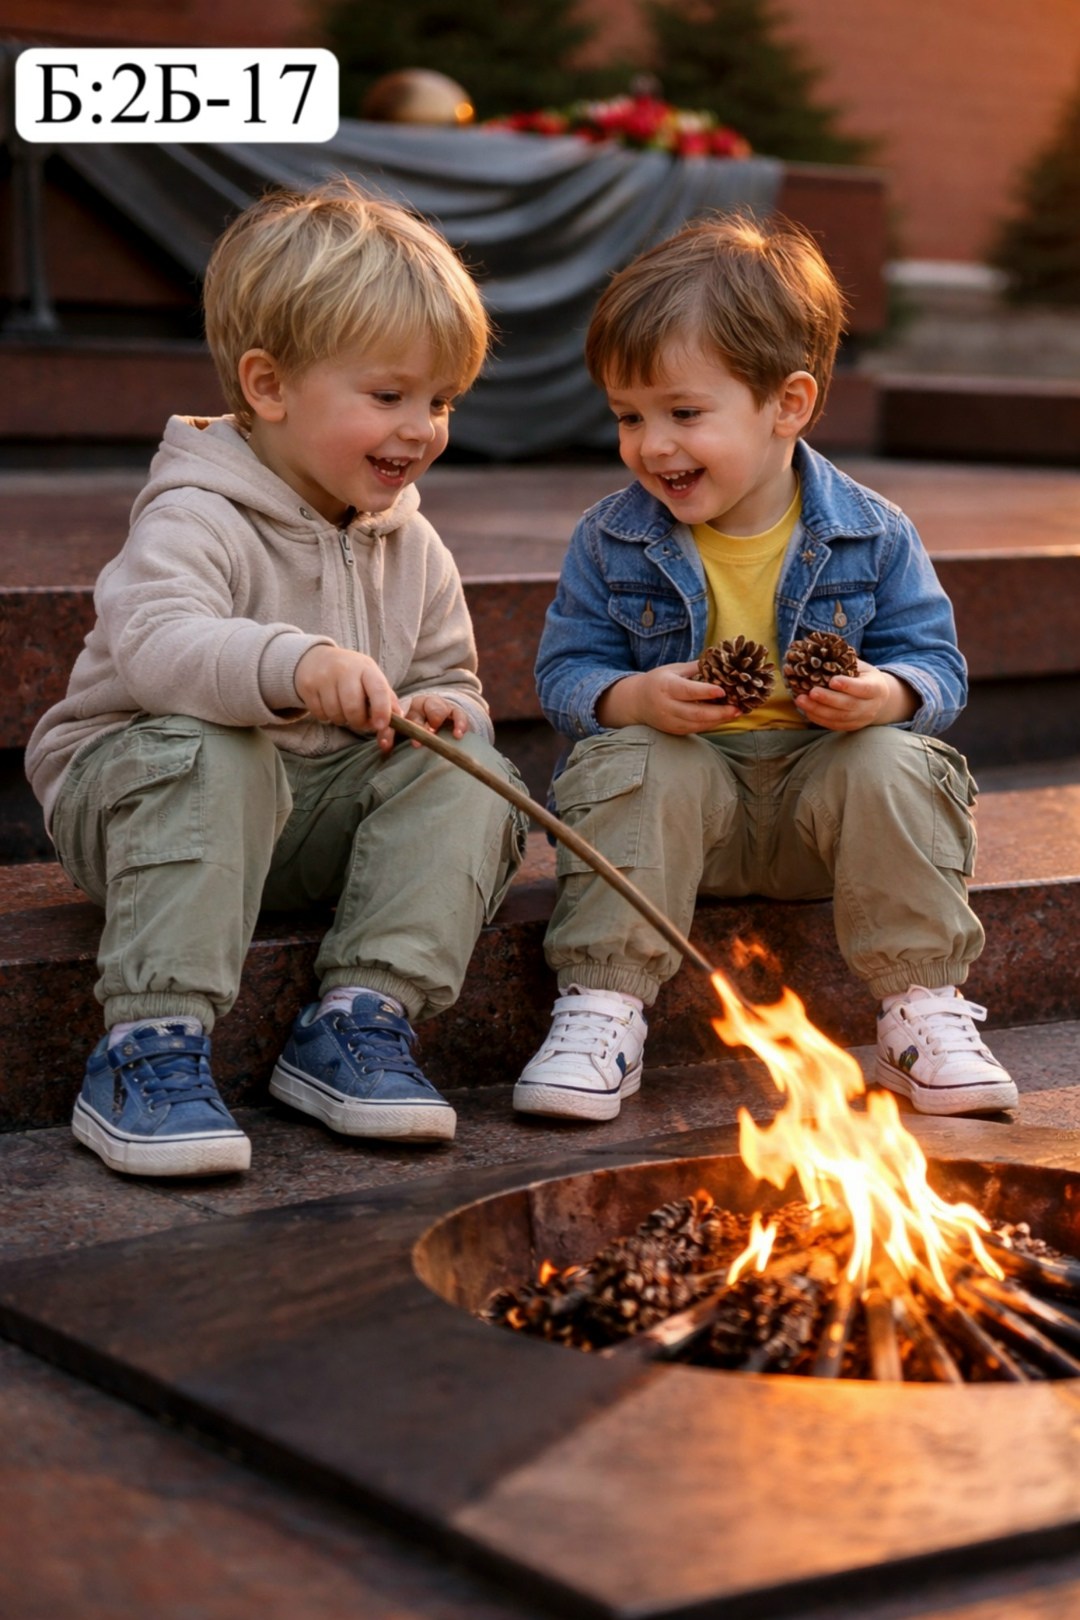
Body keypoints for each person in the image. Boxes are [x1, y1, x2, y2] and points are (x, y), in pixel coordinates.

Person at [26, 178, 528, 1177]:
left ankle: (359, 1017)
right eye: (388, 397)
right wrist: (294, 665)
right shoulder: (196, 512)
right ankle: (146, 1046)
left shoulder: (409, 539)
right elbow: (160, 647)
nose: (422, 428)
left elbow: (452, 677)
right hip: (144, 808)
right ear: (267, 387)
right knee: (219, 747)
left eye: (440, 401)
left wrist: (442, 706)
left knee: (472, 763)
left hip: (307, 819)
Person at [514, 212, 1016, 1124]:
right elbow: (566, 675)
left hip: (822, 817)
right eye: (629, 417)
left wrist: (889, 695)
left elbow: (936, 665)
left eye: (684, 413)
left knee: (896, 759)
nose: (653, 445)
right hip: (683, 822)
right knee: (633, 756)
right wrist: (634, 697)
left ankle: (922, 1007)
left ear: (788, 404)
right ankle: (603, 1004)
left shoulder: (873, 531)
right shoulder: (612, 537)